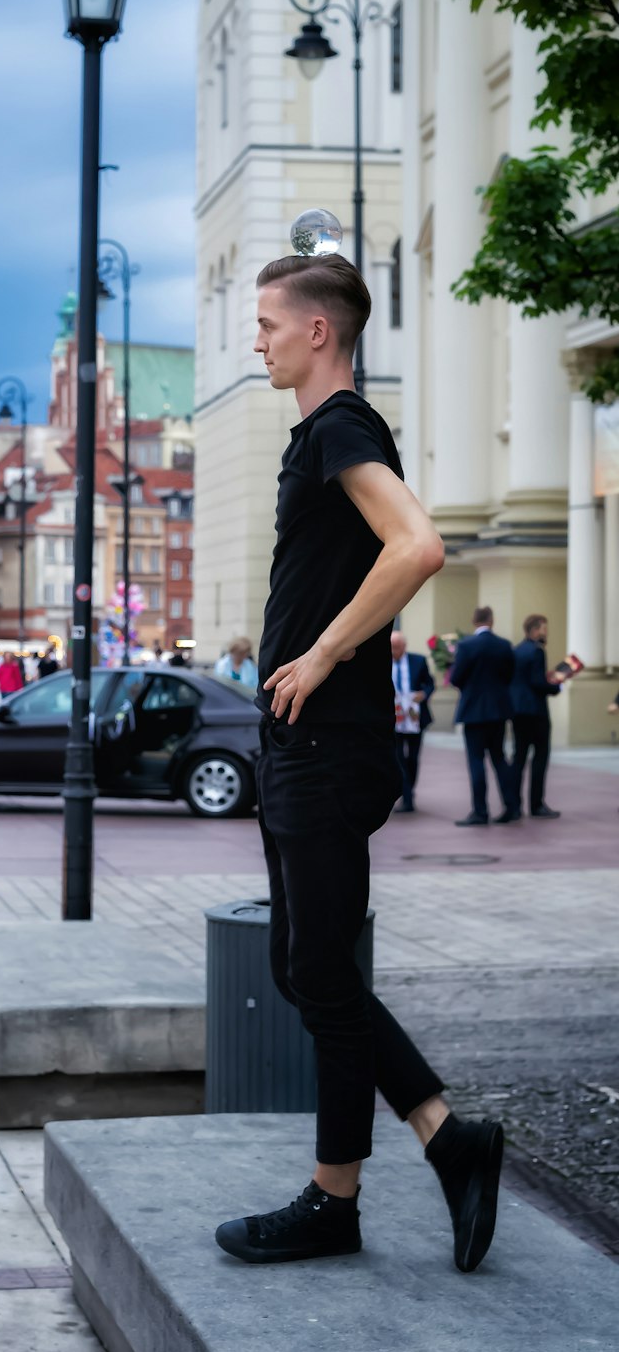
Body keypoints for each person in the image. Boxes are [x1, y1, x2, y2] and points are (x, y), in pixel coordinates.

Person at [214, 251, 502, 1276]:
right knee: (308, 967)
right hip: (305, 740)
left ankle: (393, 1163)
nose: (257, 337)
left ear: (317, 331)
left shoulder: (339, 428)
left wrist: (328, 651)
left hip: (327, 744)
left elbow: (418, 546)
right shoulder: (318, 437)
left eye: (266, 322)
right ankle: (387, 1165)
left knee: (320, 969)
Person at [449, 607, 519, 826]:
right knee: (499, 758)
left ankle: (480, 812)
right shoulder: (504, 645)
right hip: (498, 710)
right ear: (492, 620)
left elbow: (456, 677)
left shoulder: (466, 645)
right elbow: (509, 675)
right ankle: (511, 806)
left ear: (474, 620)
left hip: (473, 711)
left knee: (476, 761)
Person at [510, 614, 562, 819]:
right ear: (535, 630)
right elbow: (537, 683)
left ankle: (514, 804)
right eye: (544, 628)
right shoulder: (537, 651)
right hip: (536, 713)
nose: (546, 632)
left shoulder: (517, 650)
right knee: (540, 757)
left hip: (517, 712)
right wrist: (557, 686)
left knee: (519, 758)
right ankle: (536, 804)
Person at [390, 630, 435, 813]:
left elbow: (430, 684)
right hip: (394, 718)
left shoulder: (418, 661)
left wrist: (423, 694)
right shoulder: (383, 661)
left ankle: (410, 789)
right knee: (398, 757)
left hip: (415, 716)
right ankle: (406, 798)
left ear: (404, 646)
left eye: (397, 647)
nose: (394, 651)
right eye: (391, 648)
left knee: (413, 758)